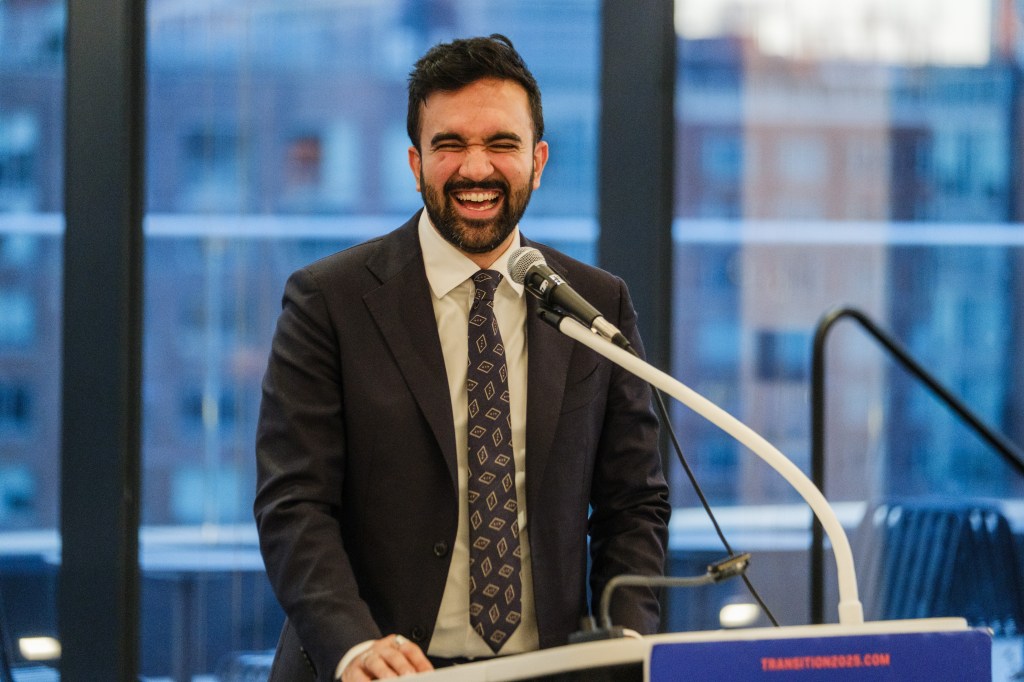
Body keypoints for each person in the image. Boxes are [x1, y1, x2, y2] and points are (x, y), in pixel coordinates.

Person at [254, 34, 670, 682]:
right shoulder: (328, 302)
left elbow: (633, 505)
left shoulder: (596, 304)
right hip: (381, 673)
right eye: (450, 145)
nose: (476, 169)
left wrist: (627, 643)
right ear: (415, 163)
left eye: (501, 144)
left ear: (538, 159)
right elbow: (293, 503)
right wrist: (354, 643)